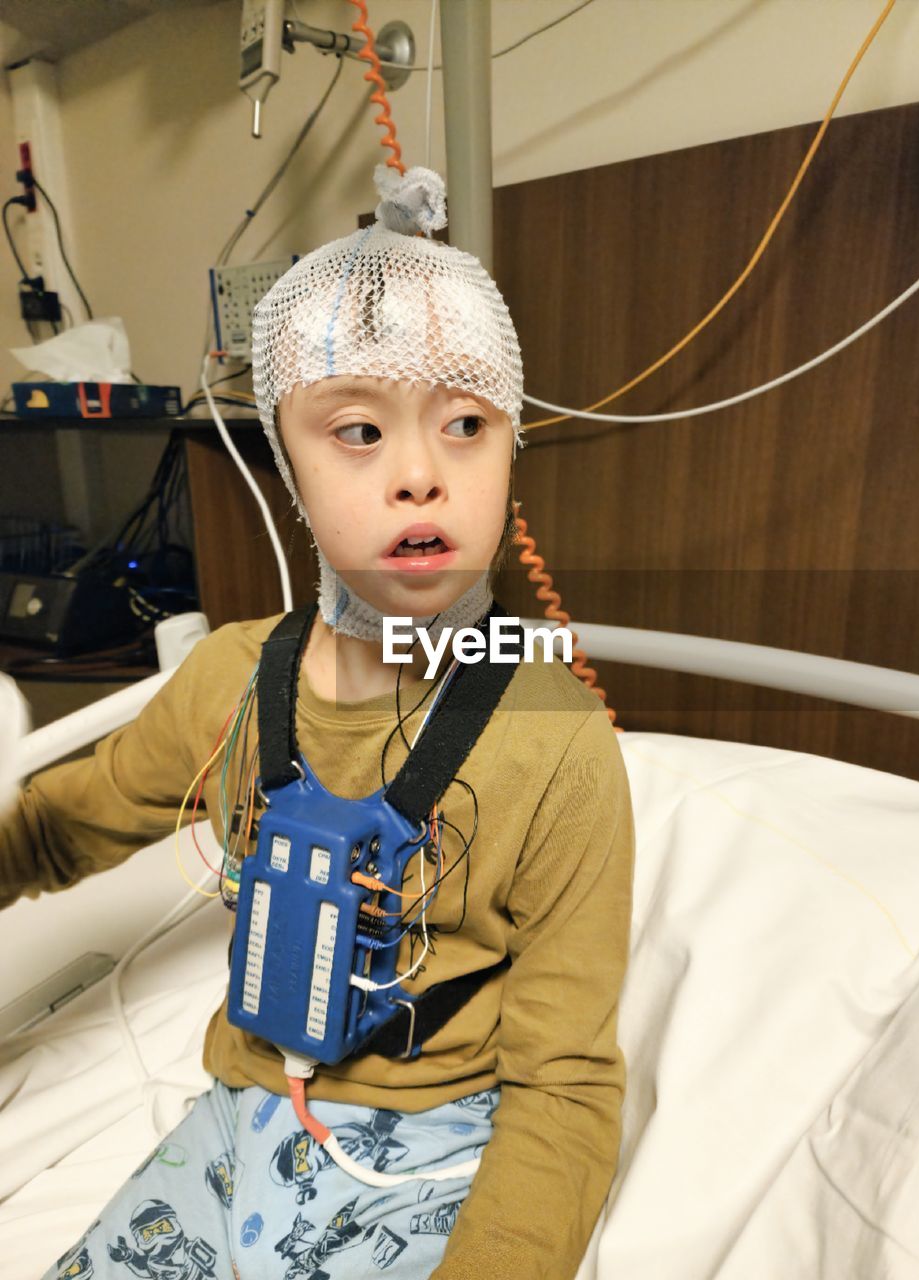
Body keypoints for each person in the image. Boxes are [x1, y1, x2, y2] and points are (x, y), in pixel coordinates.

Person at [1, 166, 634, 1280]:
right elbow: (61, 829)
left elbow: (566, 1082)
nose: (421, 476)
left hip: (433, 1148)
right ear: (286, 462)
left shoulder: (555, 740)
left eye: (467, 423)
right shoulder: (232, 684)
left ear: (514, 444)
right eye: (356, 430)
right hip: (239, 1119)